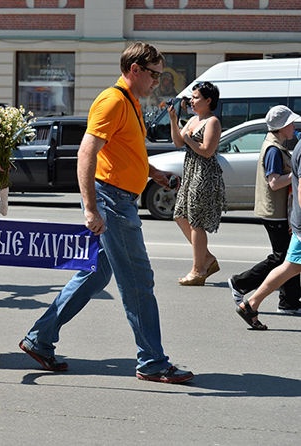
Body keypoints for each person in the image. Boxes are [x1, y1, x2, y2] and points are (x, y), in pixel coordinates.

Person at [20, 42, 194, 383]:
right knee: (138, 281)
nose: (157, 82)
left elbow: (125, 151)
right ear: (135, 70)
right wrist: (90, 208)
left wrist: (153, 173)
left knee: (96, 275)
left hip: (118, 199)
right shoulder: (113, 101)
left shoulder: (130, 102)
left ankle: (39, 339)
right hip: (112, 201)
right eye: (154, 75)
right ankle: (152, 361)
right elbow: (87, 153)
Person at [229, 105, 301, 314]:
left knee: (289, 259)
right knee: (282, 259)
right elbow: (274, 182)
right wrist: (295, 175)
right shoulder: (273, 149)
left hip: (279, 211)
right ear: (282, 127)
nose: (294, 127)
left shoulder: (277, 145)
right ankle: (240, 283)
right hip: (274, 212)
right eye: (290, 124)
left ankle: (289, 301)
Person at [169, 81, 225, 286]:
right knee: (180, 215)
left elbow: (207, 151)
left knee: (196, 222)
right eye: (191, 98)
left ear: (208, 100)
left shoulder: (212, 122)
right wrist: (174, 121)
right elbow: (178, 142)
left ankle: (198, 269)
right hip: (191, 171)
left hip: (205, 174)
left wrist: (188, 139)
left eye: (196, 97)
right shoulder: (193, 119)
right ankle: (206, 258)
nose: (191, 101)